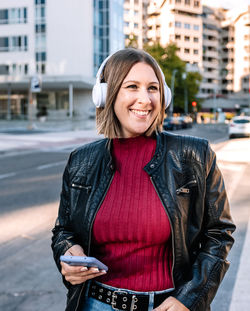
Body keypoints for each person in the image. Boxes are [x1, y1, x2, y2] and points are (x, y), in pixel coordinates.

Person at [51, 48, 235, 311]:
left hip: (169, 305)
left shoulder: (195, 155)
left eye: (152, 88)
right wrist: (68, 253)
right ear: (106, 94)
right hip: (96, 303)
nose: (145, 99)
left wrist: (189, 299)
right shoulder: (81, 161)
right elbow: (63, 230)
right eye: (132, 87)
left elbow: (219, 234)